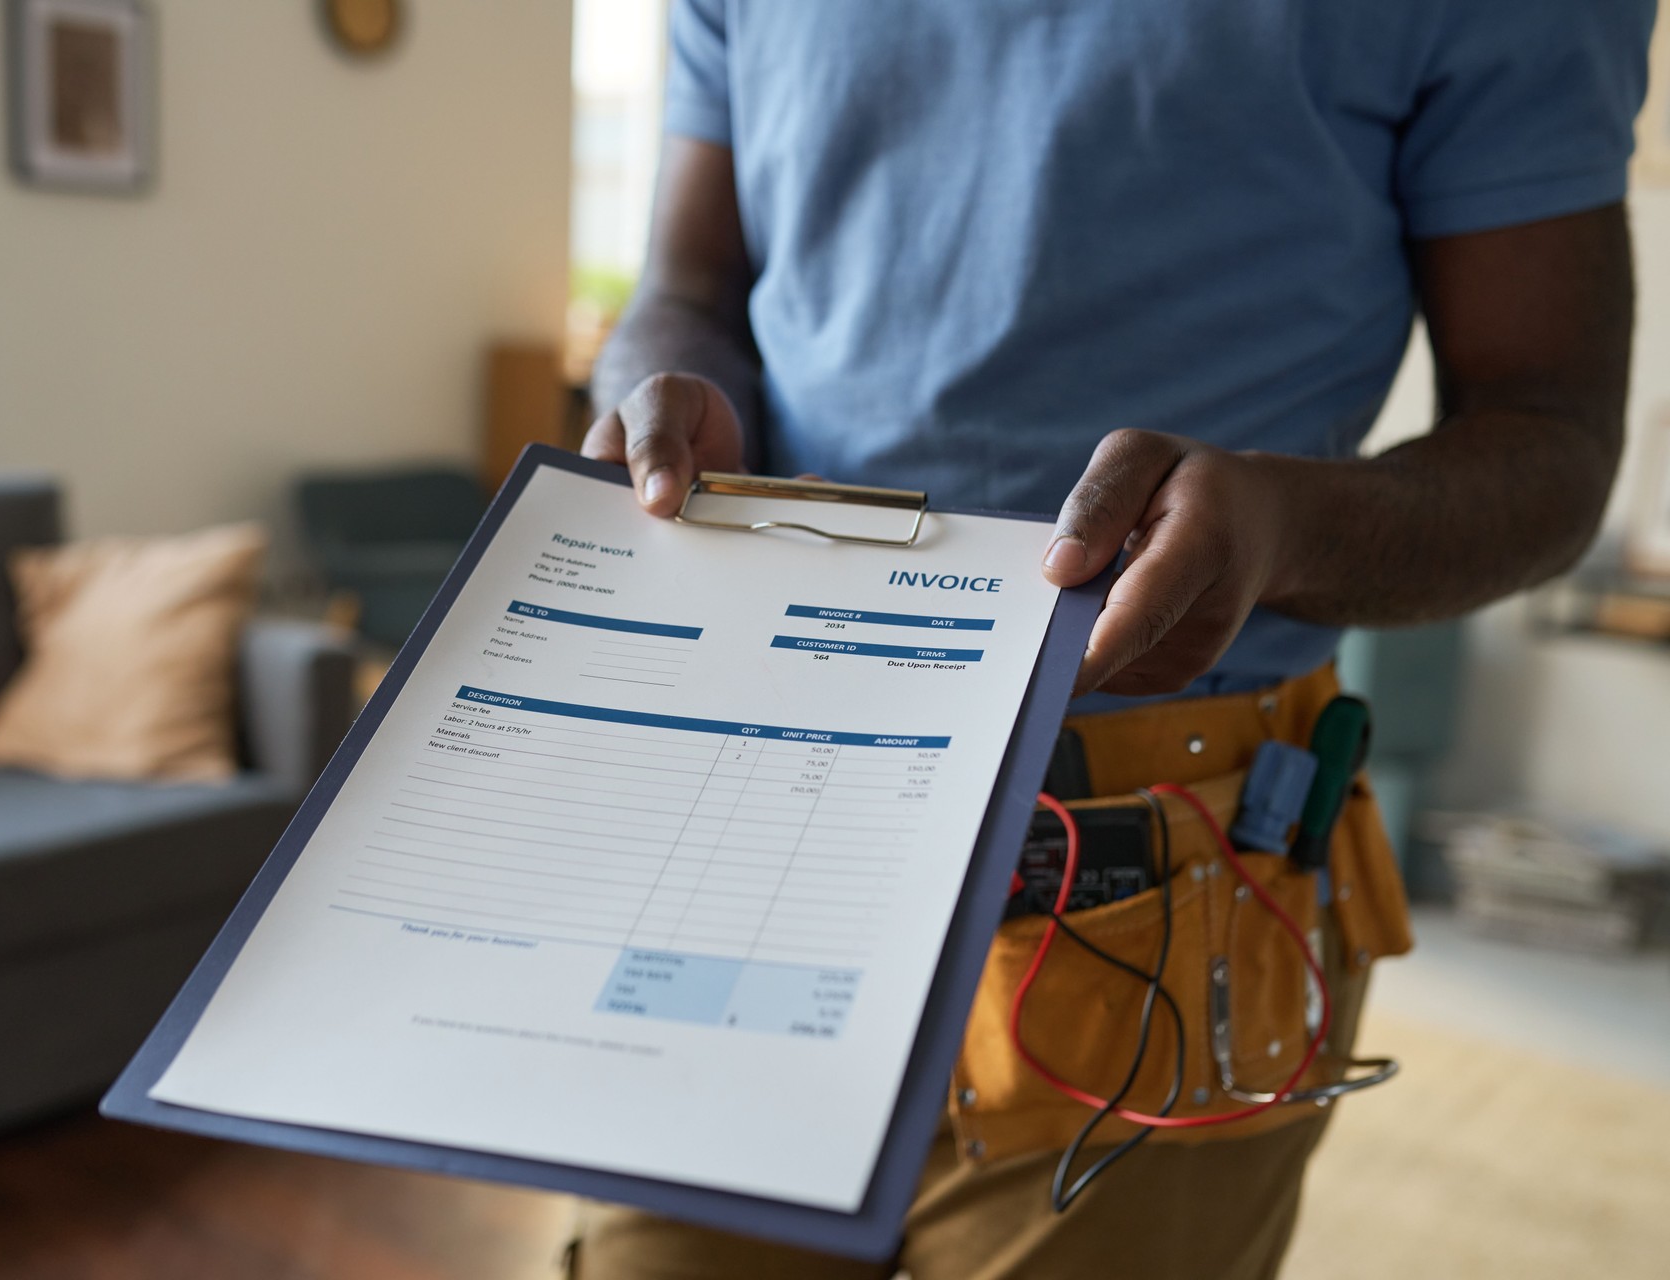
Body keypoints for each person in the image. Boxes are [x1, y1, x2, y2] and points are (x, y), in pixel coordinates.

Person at [570, 3, 1651, 1277]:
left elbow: (1553, 441)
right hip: (747, 818)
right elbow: (692, 288)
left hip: (1172, 880)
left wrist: (1283, 525)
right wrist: (662, 390)